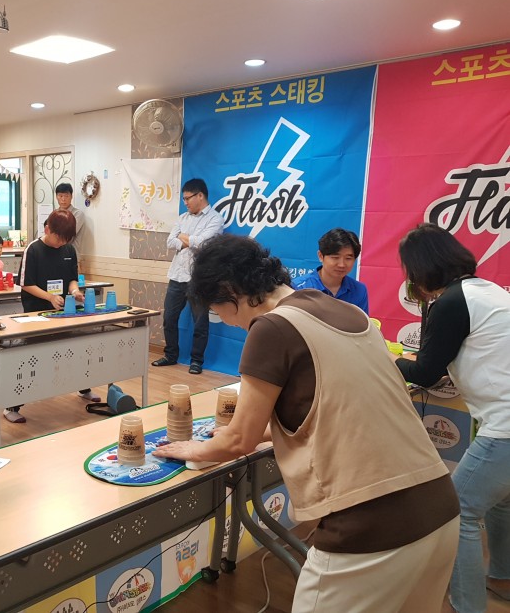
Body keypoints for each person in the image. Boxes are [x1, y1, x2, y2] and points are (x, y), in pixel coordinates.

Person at [153, 233, 460, 612]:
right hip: (439, 509)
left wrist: (195, 448)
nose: (227, 323)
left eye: (219, 310)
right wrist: (264, 432)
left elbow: (238, 441)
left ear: (230, 292)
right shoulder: (348, 313)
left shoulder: (271, 328)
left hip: (372, 525)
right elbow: (330, 408)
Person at [395, 223, 510, 613]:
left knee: (457, 511)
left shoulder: (452, 301)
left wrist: (386, 358)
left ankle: (467, 607)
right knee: (502, 501)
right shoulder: (485, 290)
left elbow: (425, 372)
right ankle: (502, 578)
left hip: (505, 427)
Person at [9, 209, 98, 423]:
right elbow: (25, 283)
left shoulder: (68, 250)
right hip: (36, 314)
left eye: (66, 239)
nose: (62, 243)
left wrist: (75, 291)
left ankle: (83, 387)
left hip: (63, 313)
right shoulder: (33, 250)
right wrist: (49, 297)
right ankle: (12, 405)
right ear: (48, 229)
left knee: (75, 350)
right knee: (31, 359)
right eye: (59, 238)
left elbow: (72, 279)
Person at [151, 178, 223, 375]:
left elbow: (203, 244)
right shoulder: (182, 217)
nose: (185, 202)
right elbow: (169, 242)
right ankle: (170, 355)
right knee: (169, 318)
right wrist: (188, 240)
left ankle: (196, 361)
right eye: (183, 199)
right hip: (177, 275)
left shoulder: (215, 219)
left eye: (188, 198)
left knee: (200, 322)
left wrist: (184, 237)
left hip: (198, 278)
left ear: (200, 196)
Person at [292, 228, 369, 314]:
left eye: (348, 258)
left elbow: (361, 322)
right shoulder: (299, 288)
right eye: (335, 257)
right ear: (320, 256)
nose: (341, 264)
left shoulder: (359, 290)